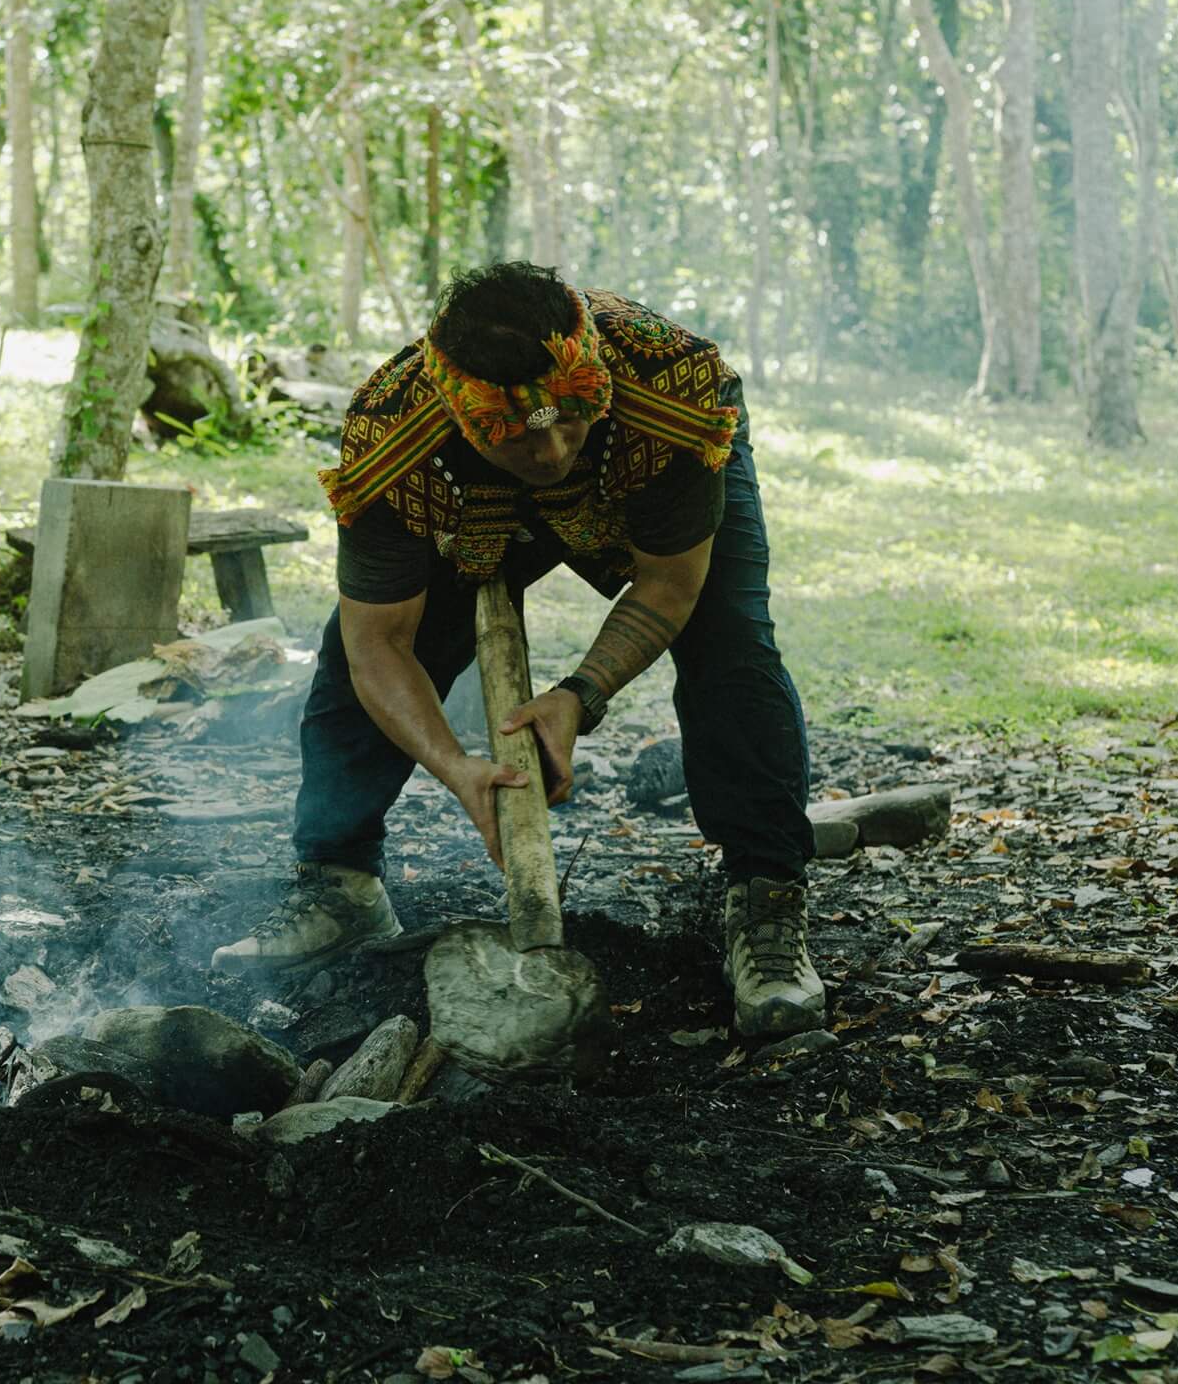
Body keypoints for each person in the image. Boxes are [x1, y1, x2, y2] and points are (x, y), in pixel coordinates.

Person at [211, 261, 826, 1037]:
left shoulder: (676, 388)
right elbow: (380, 648)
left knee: (731, 644)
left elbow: (671, 587)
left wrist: (579, 693)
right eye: (518, 437)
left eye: (572, 418)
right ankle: (340, 882)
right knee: (359, 656)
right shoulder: (395, 436)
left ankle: (766, 897)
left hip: (640, 457)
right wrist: (456, 767)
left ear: (590, 380)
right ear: (465, 417)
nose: (552, 453)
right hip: (459, 496)